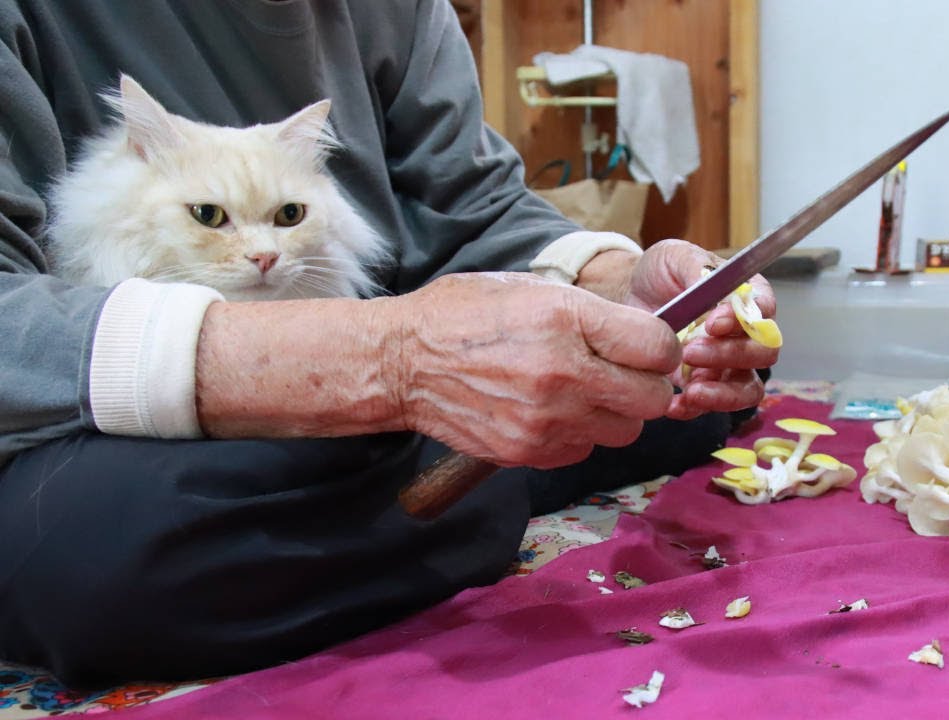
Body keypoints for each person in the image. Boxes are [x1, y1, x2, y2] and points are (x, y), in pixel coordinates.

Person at [0, 0, 777, 687]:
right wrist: (389, 364)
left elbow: (476, 203)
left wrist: (622, 286)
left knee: (677, 385)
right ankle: (489, 465)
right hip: (79, 427)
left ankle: (484, 458)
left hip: (367, 379)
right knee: (96, 552)